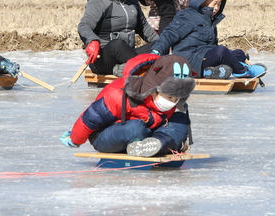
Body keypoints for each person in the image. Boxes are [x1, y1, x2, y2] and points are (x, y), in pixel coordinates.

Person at [60, 54, 195, 157]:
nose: (172, 102)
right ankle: (160, 144)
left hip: (146, 134)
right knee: (136, 128)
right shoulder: (119, 95)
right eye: (169, 97)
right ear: (153, 89)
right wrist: (75, 139)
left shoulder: (170, 102)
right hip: (106, 136)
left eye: (176, 99)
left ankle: (157, 144)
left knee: (179, 119)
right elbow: (91, 117)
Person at [150, 0, 267, 79]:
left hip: (204, 57)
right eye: (214, 3)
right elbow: (169, 34)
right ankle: (242, 71)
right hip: (189, 61)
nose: (216, 8)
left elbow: (211, 46)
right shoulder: (187, 16)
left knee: (239, 53)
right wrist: (156, 51)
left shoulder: (209, 20)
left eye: (219, 5)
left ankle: (211, 72)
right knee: (222, 52)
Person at [78, 0, 159, 76]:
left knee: (160, 44)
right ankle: (141, 67)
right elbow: (84, 25)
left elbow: (144, 28)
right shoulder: (98, 1)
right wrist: (92, 41)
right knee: (117, 45)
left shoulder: (132, 1)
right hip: (103, 60)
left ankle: (130, 67)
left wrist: (163, 44)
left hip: (127, 55)